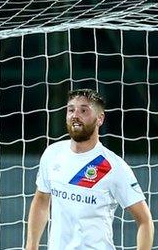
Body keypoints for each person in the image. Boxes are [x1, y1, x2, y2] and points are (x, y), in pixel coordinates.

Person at [26, 89, 154, 249]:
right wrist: (31, 246)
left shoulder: (113, 166)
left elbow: (144, 221)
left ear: (100, 119)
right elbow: (41, 200)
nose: (75, 115)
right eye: (71, 110)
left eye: (83, 110)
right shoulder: (52, 153)